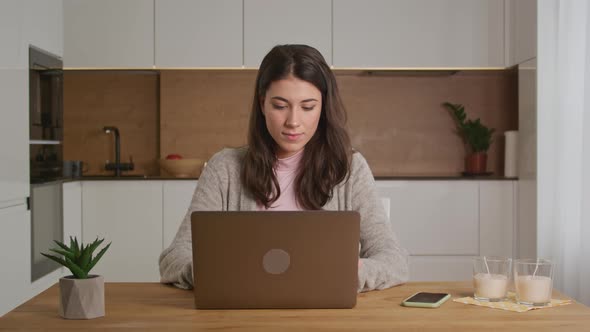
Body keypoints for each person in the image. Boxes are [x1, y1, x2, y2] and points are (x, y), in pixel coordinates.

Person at [159, 44, 409, 292]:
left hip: (326, 317)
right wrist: (212, 270)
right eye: (280, 106)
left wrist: (353, 272)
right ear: (262, 104)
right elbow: (174, 258)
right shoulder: (224, 169)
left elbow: (393, 260)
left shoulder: (351, 169)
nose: (293, 121)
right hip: (243, 315)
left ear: (323, 108)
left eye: (308, 107)